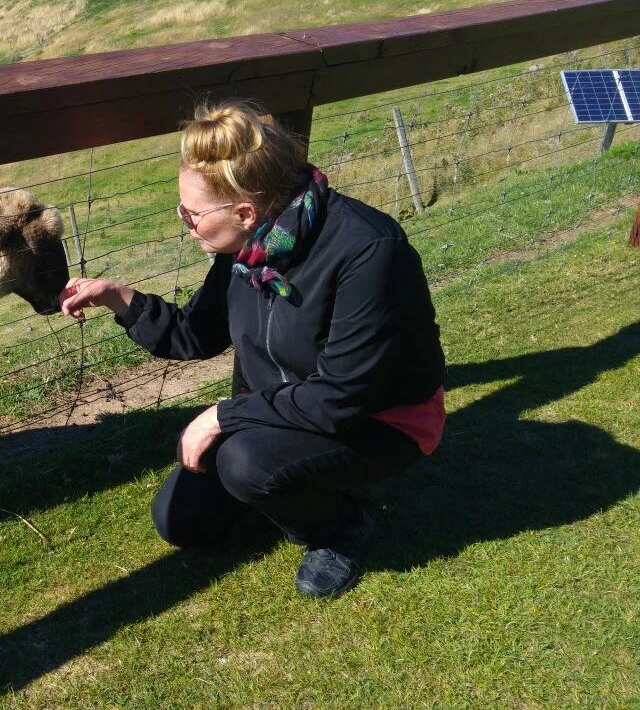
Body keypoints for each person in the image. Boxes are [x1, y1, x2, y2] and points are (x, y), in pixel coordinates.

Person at [58, 99, 446, 597]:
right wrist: (118, 298)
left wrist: (223, 416)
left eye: (191, 214)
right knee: (182, 523)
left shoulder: (368, 250)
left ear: (244, 210)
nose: (185, 222)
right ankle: (283, 486)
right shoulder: (251, 246)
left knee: (246, 464)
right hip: (280, 413)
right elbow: (195, 334)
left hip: (378, 420)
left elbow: (340, 397)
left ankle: (339, 528)